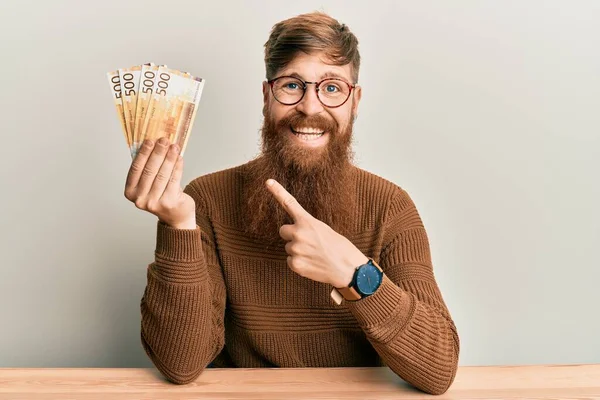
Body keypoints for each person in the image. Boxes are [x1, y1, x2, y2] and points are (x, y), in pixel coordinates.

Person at [124, 11, 459, 395]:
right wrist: (179, 226)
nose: (311, 107)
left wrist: (355, 274)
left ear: (356, 101)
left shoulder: (390, 205)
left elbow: (439, 369)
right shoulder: (207, 201)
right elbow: (180, 364)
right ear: (267, 96)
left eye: (332, 88)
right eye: (292, 85)